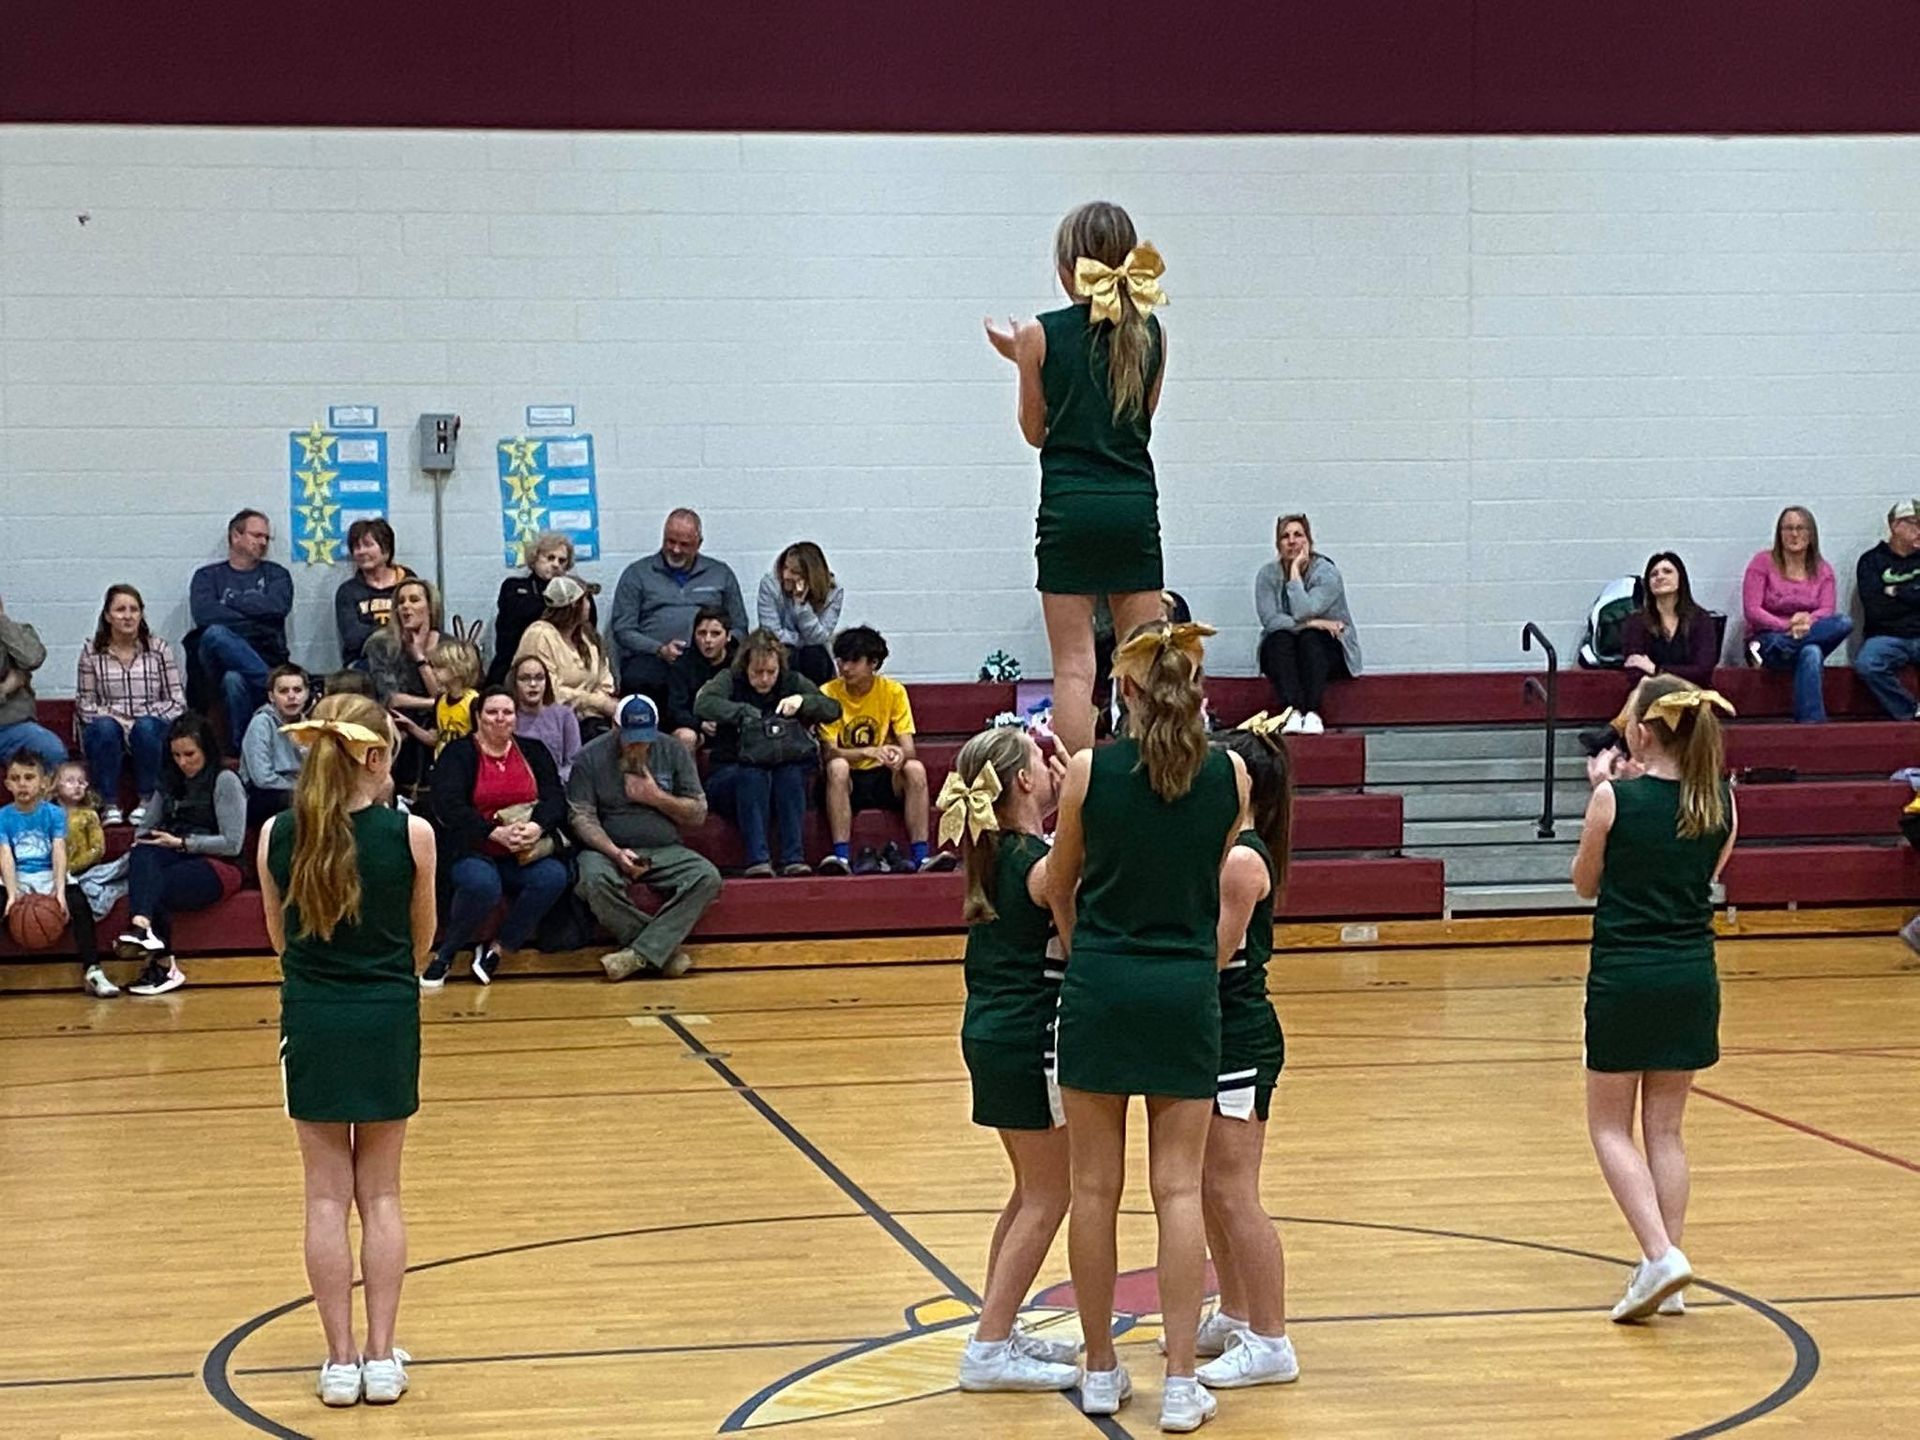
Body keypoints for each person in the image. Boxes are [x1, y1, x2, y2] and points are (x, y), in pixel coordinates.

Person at [1047, 620, 1249, 1431]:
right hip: (1183, 991)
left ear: (1121, 690)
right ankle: (1176, 1381)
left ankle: (1100, 1369)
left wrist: (1084, 944)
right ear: (1197, 691)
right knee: (1178, 1191)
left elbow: (1058, 883)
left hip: (1099, 985)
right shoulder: (1230, 774)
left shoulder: (1090, 772)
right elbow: (1213, 873)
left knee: (1093, 1190)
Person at [256, 694, 437, 1408]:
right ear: (374, 756)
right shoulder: (412, 834)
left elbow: (279, 941)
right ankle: (379, 1356)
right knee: (382, 1192)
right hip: (387, 1014)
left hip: (313, 1016)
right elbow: (423, 940)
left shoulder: (275, 833)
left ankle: (338, 1363)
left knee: (325, 1198)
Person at [1570, 675, 1738, 1323]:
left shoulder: (1615, 797)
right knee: (1665, 1130)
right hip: (1693, 975)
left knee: (1609, 1126)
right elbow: (1704, 876)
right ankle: (1667, 1271)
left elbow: (1586, 883)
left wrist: (1602, 795)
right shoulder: (1722, 801)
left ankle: (1659, 1255)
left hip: (1625, 977)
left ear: (1641, 731)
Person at [985, 201, 1169, 757]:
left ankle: (1075, 806)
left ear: (1068, 267)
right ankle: (1149, 793)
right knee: (1143, 665)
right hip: (1132, 504)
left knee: (1073, 669)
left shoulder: (1040, 333)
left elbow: (1036, 430)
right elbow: (1142, 423)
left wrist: (1022, 359)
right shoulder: (1152, 333)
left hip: (1069, 505)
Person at [936, 727, 1081, 1394]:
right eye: (1039, 761)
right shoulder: (1036, 866)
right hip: (1027, 1036)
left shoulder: (1003, 852)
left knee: (1029, 1191)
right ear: (1023, 781)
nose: (1049, 768)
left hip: (993, 1031)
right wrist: (1078, 784)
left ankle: (999, 1325)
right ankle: (989, 1347)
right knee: (1053, 1194)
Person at [1193, 722, 1299, 1390]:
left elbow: (1213, 956)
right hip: (1214, 1031)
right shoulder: (1228, 849)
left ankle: (1271, 1337)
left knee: (1235, 1192)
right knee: (1207, 1185)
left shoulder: (1240, 861)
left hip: (1239, 1034)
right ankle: (1233, 1309)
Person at [422, 688, 569, 989]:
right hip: (473, 848)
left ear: (516, 717)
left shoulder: (534, 750)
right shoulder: (459, 753)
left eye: (507, 712)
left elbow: (555, 797)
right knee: (482, 885)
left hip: (523, 851)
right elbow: (448, 805)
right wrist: (492, 831)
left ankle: (497, 948)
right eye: (492, 712)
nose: (500, 719)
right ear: (477, 717)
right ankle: (446, 954)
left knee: (553, 876)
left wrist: (538, 827)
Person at [567, 695, 721, 980]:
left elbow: (698, 812)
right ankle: (663, 954)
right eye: (630, 738)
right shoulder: (589, 757)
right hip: (607, 848)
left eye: (645, 737)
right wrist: (614, 852)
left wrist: (657, 798)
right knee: (592, 880)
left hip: (664, 847)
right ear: (615, 728)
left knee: (706, 876)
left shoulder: (673, 751)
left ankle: (637, 955)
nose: (638, 745)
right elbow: (581, 816)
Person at [114, 712, 247, 996]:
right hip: (174, 851)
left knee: (155, 883)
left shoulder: (225, 780)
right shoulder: (169, 780)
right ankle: (141, 928)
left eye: (190, 754)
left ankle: (162, 964)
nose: (183, 762)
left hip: (219, 864)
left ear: (206, 751)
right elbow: (143, 829)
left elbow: (233, 843)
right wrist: (153, 840)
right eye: (176, 755)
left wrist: (183, 843)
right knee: (142, 853)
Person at [695, 630, 838, 878]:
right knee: (753, 776)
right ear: (745, 667)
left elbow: (833, 708)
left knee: (791, 775)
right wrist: (741, 712)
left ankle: (794, 858)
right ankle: (757, 859)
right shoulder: (729, 679)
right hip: (734, 769)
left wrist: (804, 701)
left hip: (784, 766)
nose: (764, 679)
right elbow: (704, 703)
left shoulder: (791, 681)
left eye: (770, 673)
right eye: (757, 673)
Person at [818, 625, 956, 876]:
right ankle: (841, 857)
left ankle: (921, 856)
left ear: (874, 663)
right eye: (841, 660)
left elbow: (909, 749)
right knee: (837, 767)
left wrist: (897, 755)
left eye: (853, 661)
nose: (845, 667)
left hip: (884, 777)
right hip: (848, 779)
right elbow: (829, 752)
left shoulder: (893, 692)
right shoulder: (828, 693)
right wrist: (867, 752)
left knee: (915, 769)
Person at [1, 750, 113, 996]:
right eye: (16, 778)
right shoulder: (3, 816)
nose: (22, 783)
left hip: (50, 873)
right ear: (7, 783)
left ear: (44, 783)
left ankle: (93, 970)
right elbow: (6, 855)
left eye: (29, 777)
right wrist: (11, 894)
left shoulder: (54, 814)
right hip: (16, 876)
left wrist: (59, 891)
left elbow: (59, 851)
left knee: (80, 903)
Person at [611, 508, 749, 703]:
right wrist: (659, 649)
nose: (676, 550)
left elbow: (740, 626)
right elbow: (623, 629)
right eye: (670, 541)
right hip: (654, 659)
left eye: (684, 544)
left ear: (699, 544)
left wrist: (718, 646)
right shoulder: (637, 574)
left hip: (710, 660)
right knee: (638, 677)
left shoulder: (721, 573)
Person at [74, 584, 186, 823]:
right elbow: (85, 704)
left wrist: (140, 721)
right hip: (109, 729)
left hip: (150, 729)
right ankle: (109, 804)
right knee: (103, 727)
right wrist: (122, 722)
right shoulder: (91, 652)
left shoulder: (159, 649)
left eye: (134, 609)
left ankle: (147, 801)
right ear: (107, 616)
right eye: (120, 610)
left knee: (146, 727)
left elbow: (177, 701)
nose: (128, 616)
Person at [189, 509, 293, 749]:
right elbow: (205, 616)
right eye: (257, 535)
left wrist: (232, 601)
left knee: (234, 679)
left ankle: (241, 750)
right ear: (236, 536)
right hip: (215, 663)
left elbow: (277, 608)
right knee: (216, 634)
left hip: (267, 655)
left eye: (266, 537)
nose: (263, 542)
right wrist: (256, 619)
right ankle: (275, 688)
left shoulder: (277, 575)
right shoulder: (207, 577)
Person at [1254, 514, 1362, 735]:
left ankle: (1312, 713)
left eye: (1298, 535)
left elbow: (1304, 609)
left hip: (1329, 651)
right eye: (1285, 536)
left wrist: (1294, 573)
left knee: (1310, 638)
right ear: (1278, 544)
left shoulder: (1326, 573)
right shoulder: (1266, 575)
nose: (1292, 541)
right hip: (1285, 651)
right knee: (1279, 638)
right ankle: (1292, 713)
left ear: (1309, 541)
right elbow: (1271, 620)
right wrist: (1315, 622)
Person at [1744, 507, 1850, 724]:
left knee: (1841, 624)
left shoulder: (1823, 569)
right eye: (1788, 528)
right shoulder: (1762, 562)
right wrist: (1786, 625)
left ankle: (1811, 728)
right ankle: (1787, 643)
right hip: (1766, 640)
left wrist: (1807, 622)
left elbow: (1826, 610)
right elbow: (1752, 610)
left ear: (1811, 534)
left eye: (1800, 528)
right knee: (1809, 649)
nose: (1794, 534)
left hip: (1803, 634)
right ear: (1779, 533)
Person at [362, 578, 443, 801]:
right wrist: (435, 703)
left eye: (414, 600)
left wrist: (419, 657)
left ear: (430, 606)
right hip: (398, 733)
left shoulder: (449, 646)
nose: (406, 606)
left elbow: (453, 698)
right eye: (401, 601)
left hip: (440, 735)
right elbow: (391, 698)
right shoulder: (380, 644)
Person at [512, 576, 618, 734]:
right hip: (553, 721)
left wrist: (601, 701)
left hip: (592, 718)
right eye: (586, 600)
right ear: (575, 605)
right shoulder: (540, 635)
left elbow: (605, 679)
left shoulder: (587, 635)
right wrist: (597, 702)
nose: (589, 605)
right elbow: (549, 691)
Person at [489, 530, 589, 686]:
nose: (556, 564)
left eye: (562, 561)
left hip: (561, 668)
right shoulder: (513, 587)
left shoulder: (574, 591)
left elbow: (587, 620)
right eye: (550, 558)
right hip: (512, 665)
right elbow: (522, 613)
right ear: (535, 559)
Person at [1855, 501, 1920, 720]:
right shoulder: (1871, 561)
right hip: (1886, 636)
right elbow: (1876, 609)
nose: (1919, 530)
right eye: (1915, 524)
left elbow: (1889, 602)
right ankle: (1909, 711)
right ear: (1895, 526)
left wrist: (1897, 592)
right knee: (1868, 663)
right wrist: (1914, 594)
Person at [1622, 552, 1716, 687]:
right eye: (1654, 574)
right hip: (1650, 697)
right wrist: (1677, 675)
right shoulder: (1636, 622)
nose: (1660, 577)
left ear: (1680, 579)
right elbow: (1635, 671)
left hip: (1694, 698)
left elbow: (1703, 671)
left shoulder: (1701, 619)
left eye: (1667, 572)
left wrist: (1656, 669)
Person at [0, 593, 69, 774]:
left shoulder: (16, 633)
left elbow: (33, 658)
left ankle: (50, 803)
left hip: (14, 728)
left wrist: (2, 623)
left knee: (51, 749)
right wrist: (5, 688)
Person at [757, 542, 843, 685]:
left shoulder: (834, 591)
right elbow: (771, 632)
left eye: (794, 572)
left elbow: (820, 638)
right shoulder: (771, 584)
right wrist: (801, 641)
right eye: (785, 568)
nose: (786, 575)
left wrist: (802, 607)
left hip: (815, 653)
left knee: (815, 656)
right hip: (780, 648)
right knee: (788, 655)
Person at [333, 517, 414, 667]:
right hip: (363, 661)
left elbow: (420, 629)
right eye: (356, 547)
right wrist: (396, 632)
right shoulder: (347, 592)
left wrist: (372, 632)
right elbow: (353, 638)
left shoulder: (409, 584)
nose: (361, 551)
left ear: (386, 549)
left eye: (368, 545)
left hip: (407, 659)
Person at [240, 664, 312, 828]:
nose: (292, 696)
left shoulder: (310, 726)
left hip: (300, 790)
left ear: (307, 693)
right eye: (284, 691)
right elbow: (262, 778)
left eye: (297, 690)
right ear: (272, 696)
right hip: (265, 795)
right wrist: (301, 788)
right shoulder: (261, 723)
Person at [665, 605, 734, 755]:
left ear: (728, 636)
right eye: (702, 633)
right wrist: (700, 724)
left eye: (715, 634)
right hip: (697, 728)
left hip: (732, 726)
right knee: (685, 736)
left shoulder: (739, 663)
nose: (707, 640)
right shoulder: (683, 665)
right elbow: (675, 710)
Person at [511, 654, 583, 783]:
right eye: (525, 679)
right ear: (514, 683)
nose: (533, 684)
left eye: (539, 678)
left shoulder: (564, 716)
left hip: (557, 785)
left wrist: (552, 780)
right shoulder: (507, 716)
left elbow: (574, 762)